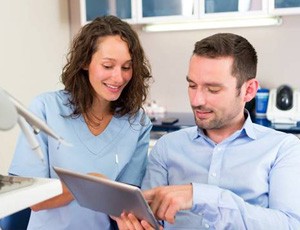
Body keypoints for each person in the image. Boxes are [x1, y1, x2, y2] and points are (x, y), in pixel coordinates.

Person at [116, 33, 300, 229]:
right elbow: (148, 217)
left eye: (213, 89)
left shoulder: (283, 149)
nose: (197, 101)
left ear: (248, 90)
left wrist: (201, 197)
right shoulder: (167, 148)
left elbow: (290, 224)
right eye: (192, 85)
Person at [8, 15, 153, 230]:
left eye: (126, 67)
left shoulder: (137, 122)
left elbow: (127, 204)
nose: (118, 77)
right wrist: (89, 183)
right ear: (85, 62)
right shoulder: (45, 109)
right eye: (108, 65)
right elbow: (32, 200)